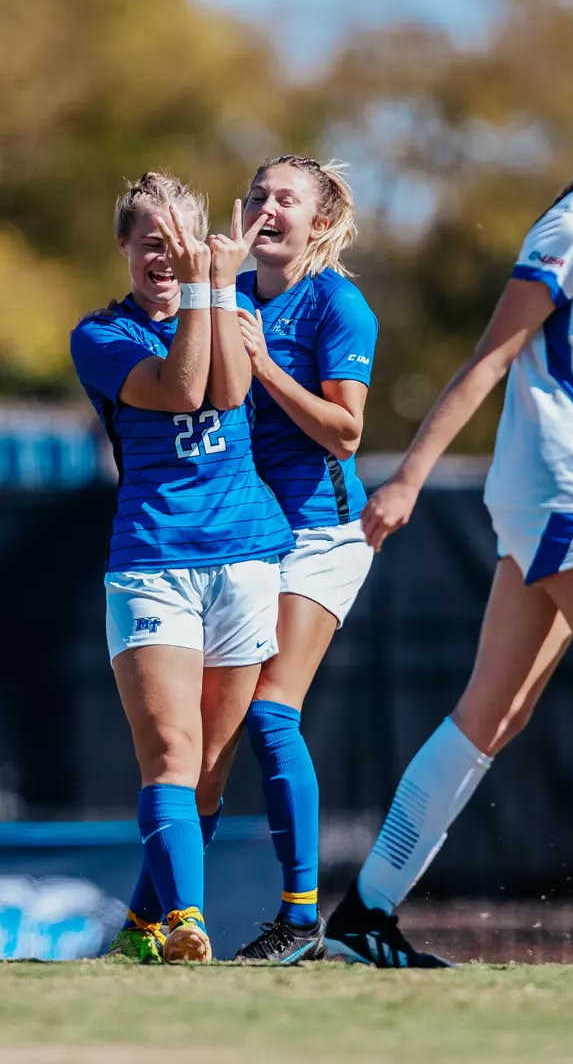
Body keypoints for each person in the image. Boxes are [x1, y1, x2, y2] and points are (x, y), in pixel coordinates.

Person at [325, 173, 573, 968]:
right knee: (488, 714)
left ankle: (364, 914)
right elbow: (488, 359)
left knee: (492, 716)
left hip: (554, 493)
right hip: (562, 487)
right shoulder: (571, 228)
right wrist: (406, 477)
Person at [70, 172, 293, 964]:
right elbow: (181, 387)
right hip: (154, 561)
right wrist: (212, 286)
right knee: (169, 750)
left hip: (244, 558)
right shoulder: (100, 335)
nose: (163, 259)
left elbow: (228, 390)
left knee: (206, 771)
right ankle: (186, 922)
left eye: (179, 244)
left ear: (201, 243)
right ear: (124, 248)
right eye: (148, 244)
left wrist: (215, 289)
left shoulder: (226, 303)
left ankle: (138, 926)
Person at [232, 155, 378, 963]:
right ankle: (162, 918)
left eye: (285, 198)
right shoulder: (230, 298)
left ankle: (299, 916)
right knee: (209, 721)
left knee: (268, 710)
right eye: (257, 195)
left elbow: (346, 433)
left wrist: (261, 365)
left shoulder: (336, 304)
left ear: (317, 224)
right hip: (240, 534)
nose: (266, 207)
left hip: (319, 534)